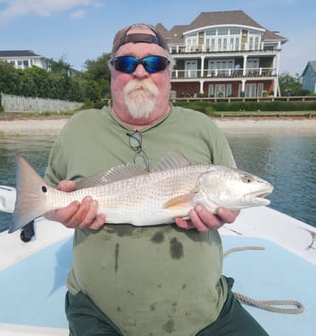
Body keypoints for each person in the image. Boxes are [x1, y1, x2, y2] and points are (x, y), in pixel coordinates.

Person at [44, 23, 269, 336]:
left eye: (154, 63)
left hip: (208, 310)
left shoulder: (204, 128)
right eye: (126, 63)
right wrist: (59, 211)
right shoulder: (77, 128)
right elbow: (49, 198)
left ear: (168, 73)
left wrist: (226, 214)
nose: (140, 72)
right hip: (99, 313)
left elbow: (229, 203)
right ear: (112, 72)